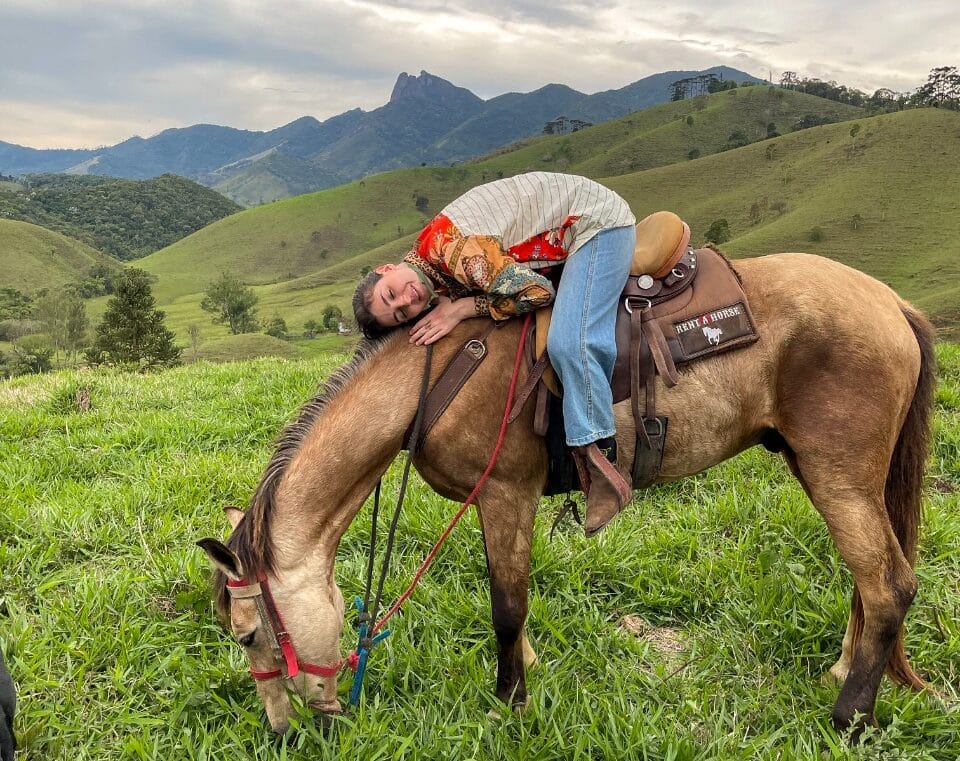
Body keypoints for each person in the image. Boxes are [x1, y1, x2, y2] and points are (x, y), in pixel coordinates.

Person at [352, 171, 636, 535]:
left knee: (569, 342)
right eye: (402, 314)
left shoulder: (455, 251)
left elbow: (537, 293)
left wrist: (461, 309)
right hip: (564, 224)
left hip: (596, 225)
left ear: (386, 269)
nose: (408, 300)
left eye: (391, 293)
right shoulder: (427, 259)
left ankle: (602, 463)